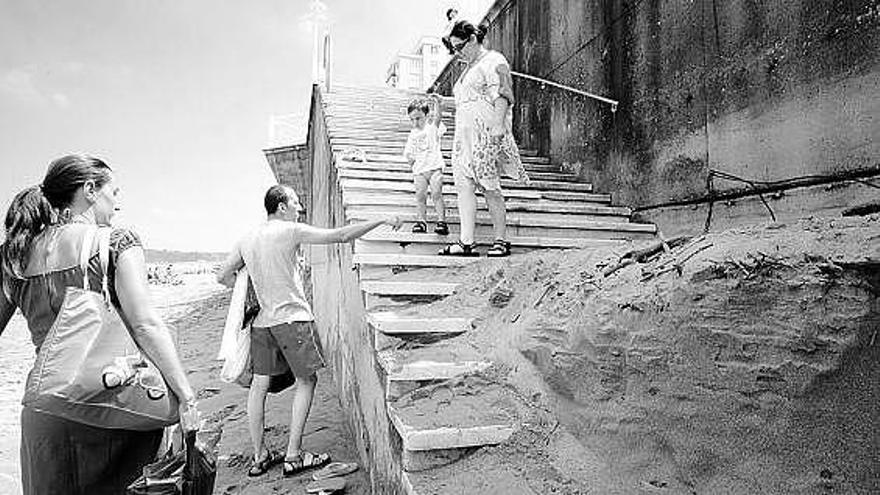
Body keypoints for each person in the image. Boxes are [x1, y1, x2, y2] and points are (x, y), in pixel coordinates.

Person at [0, 154, 200, 494]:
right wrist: (186, 396)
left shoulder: (15, 254)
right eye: (114, 192)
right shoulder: (114, 241)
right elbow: (145, 325)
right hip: (111, 409)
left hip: (45, 415)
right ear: (90, 189)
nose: (117, 203)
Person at [216, 185, 401, 478]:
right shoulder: (290, 231)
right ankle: (293, 455)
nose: (299, 208)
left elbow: (223, 276)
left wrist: (249, 285)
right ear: (281, 206)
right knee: (307, 381)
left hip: (262, 324)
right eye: (296, 203)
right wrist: (380, 220)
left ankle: (260, 455)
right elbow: (340, 235)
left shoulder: (246, 238)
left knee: (258, 387)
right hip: (292, 319)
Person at [440, 20, 529, 257]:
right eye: (454, 49)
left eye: (459, 47)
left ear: (472, 39)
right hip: (463, 138)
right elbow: (466, 101)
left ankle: (500, 240)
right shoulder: (467, 70)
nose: (457, 53)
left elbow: (503, 91)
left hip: (485, 133)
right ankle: (466, 241)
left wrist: (499, 125)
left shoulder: (493, 60)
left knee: (489, 186)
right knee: (463, 186)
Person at [404, 93, 449, 236]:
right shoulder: (412, 135)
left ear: (426, 116)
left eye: (418, 118)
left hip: (434, 167)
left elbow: (437, 118)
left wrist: (438, 104)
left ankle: (441, 221)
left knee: (436, 193)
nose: (416, 122)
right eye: (412, 119)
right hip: (420, 170)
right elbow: (409, 154)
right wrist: (412, 162)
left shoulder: (431, 128)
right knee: (420, 195)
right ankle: (421, 221)